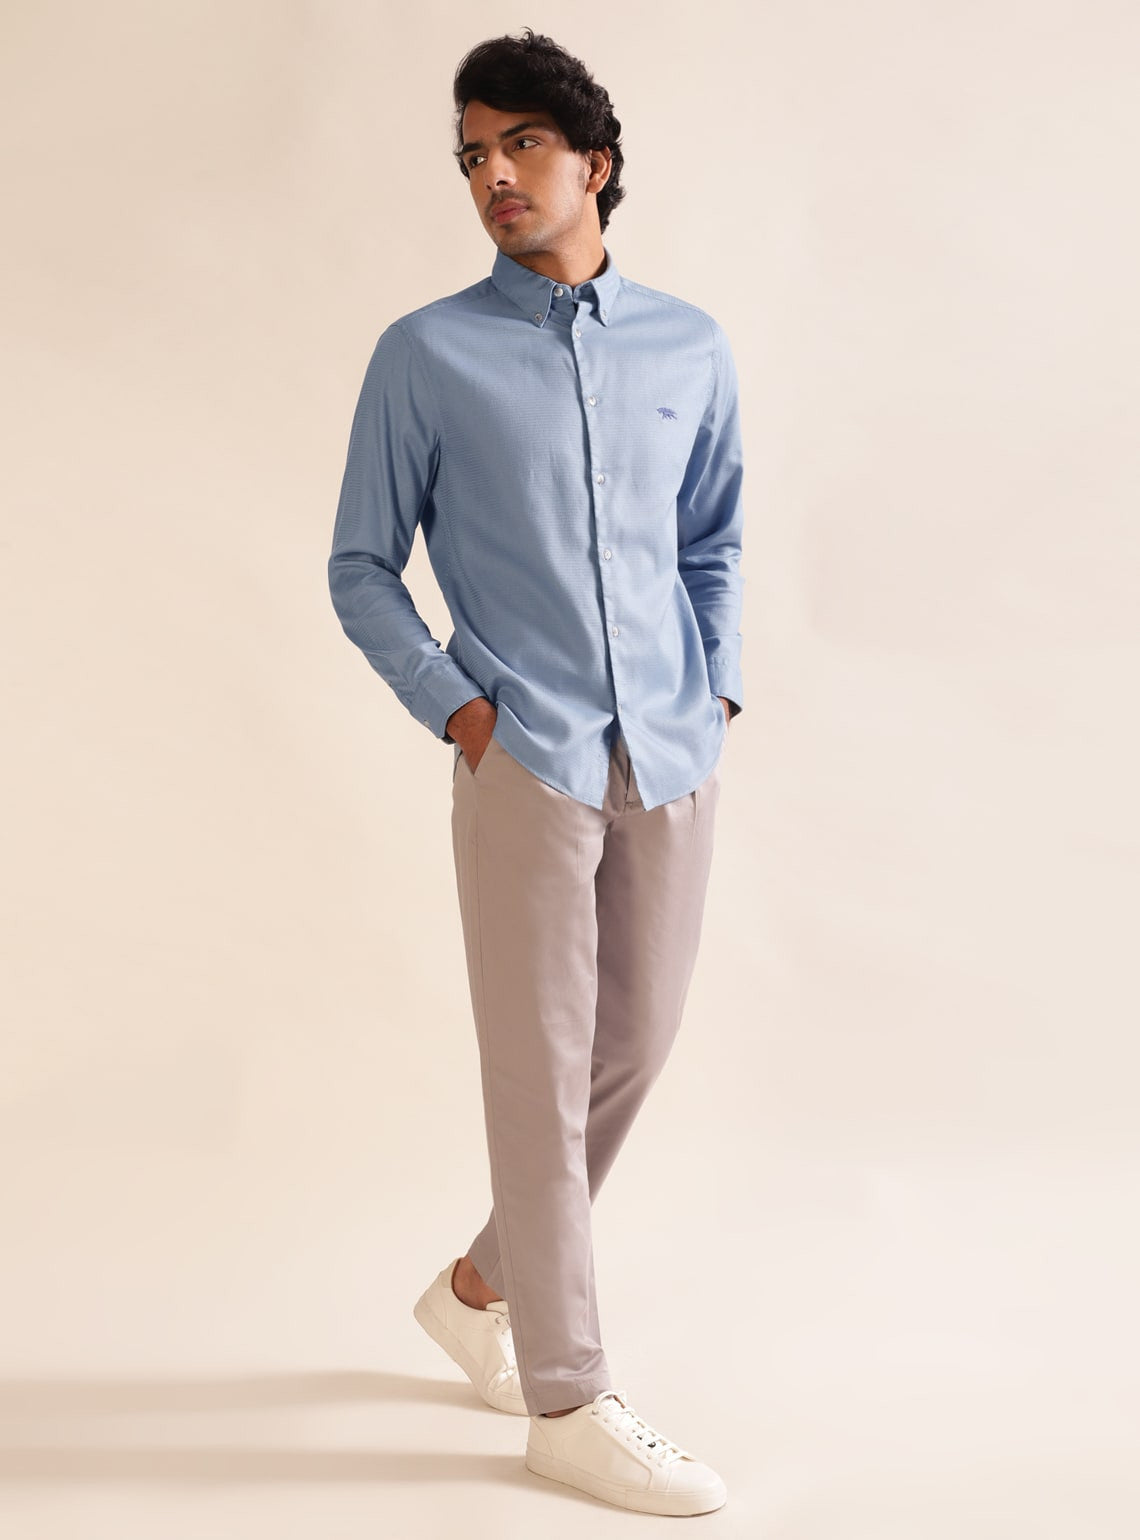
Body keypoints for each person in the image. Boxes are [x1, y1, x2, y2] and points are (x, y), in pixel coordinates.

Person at [327, 27, 744, 1517]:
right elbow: (362, 566)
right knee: (539, 1069)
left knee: (635, 1045)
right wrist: (460, 712)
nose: (493, 175)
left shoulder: (689, 346)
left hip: (673, 750)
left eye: (521, 145)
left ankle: (479, 1289)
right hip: (529, 757)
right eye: (472, 156)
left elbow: (713, 537)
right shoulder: (426, 355)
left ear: (594, 164)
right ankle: (567, 1399)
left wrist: (717, 685)